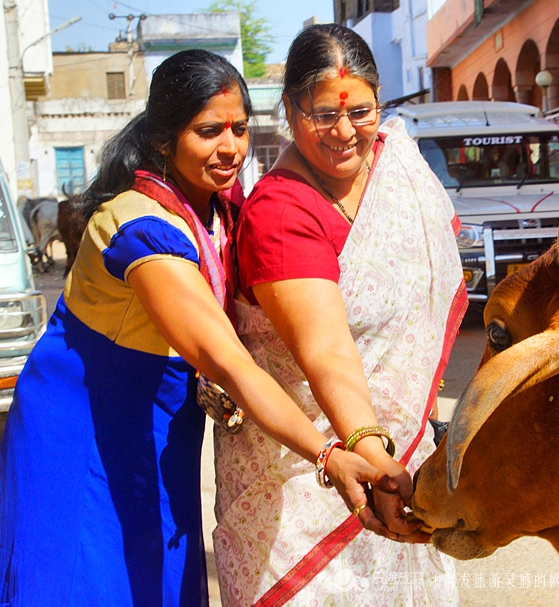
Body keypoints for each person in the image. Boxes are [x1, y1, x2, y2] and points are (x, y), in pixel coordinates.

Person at [0, 49, 391, 606]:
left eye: (238, 128)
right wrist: (329, 455)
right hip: (80, 428)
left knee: (158, 578)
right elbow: (228, 361)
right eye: (208, 131)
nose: (230, 147)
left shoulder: (218, 207)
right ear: (165, 139)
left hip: (162, 426)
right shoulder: (140, 227)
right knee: (84, 583)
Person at [212, 24, 466, 606]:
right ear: (289, 109)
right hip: (303, 483)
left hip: (397, 464)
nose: (345, 132)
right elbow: (326, 348)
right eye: (323, 114)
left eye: (362, 111)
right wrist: (373, 454)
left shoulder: (398, 166)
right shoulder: (281, 210)